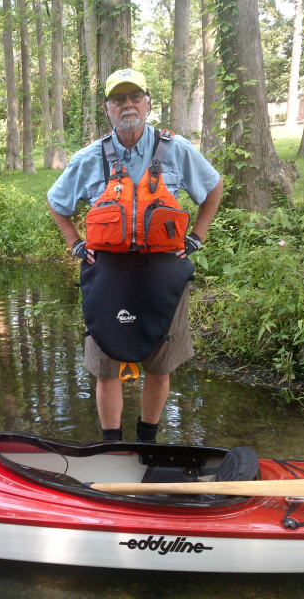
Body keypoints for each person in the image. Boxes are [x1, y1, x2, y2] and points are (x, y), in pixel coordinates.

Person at [47, 68, 223, 443]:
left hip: (163, 271)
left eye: (134, 97)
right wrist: (75, 243)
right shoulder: (90, 157)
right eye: (118, 99)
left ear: (146, 102)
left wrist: (195, 238)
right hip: (109, 273)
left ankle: (147, 440)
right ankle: (112, 446)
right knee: (106, 368)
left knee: (159, 366)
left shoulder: (177, 149)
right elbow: (57, 203)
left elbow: (213, 188)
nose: (127, 105)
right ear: (107, 109)